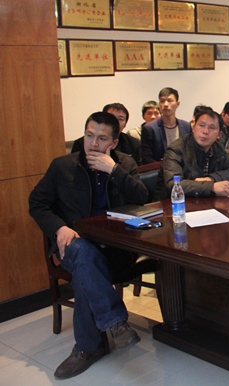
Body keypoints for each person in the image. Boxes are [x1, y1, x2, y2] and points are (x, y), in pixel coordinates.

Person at [28, 112, 149, 379]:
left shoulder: (124, 163)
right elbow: (37, 203)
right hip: (73, 245)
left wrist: (113, 171)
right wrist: (59, 227)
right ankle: (116, 324)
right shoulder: (62, 166)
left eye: (102, 138)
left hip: (116, 249)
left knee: (87, 270)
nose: (93, 143)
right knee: (83, 253)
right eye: (89, 136)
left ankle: (89, 348)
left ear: (114, 143)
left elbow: (142, 197)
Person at [157, 106, 229, 200]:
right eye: (201, 125)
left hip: (203, 200)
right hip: (171, 203)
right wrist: (211, 187)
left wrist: (212, 179)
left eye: (212, 127)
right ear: (193, 128)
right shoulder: (176, 149)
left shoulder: (217, 148)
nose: (205, 131)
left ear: (219, 135)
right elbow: (173, 184)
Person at [72, 103, 141, 164]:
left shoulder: (133, 143)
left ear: (125, 124)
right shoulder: (81, 143)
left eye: (120, 119)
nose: (115, 122)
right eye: (111, 117)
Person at [141, 87, 192, 164]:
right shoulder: (150, 129)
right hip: (159, 170)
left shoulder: (186, 127)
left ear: (177, 104)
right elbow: (146, 158)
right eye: (162, 101)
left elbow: (190, 153)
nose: (165, 104)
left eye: (169, 101)